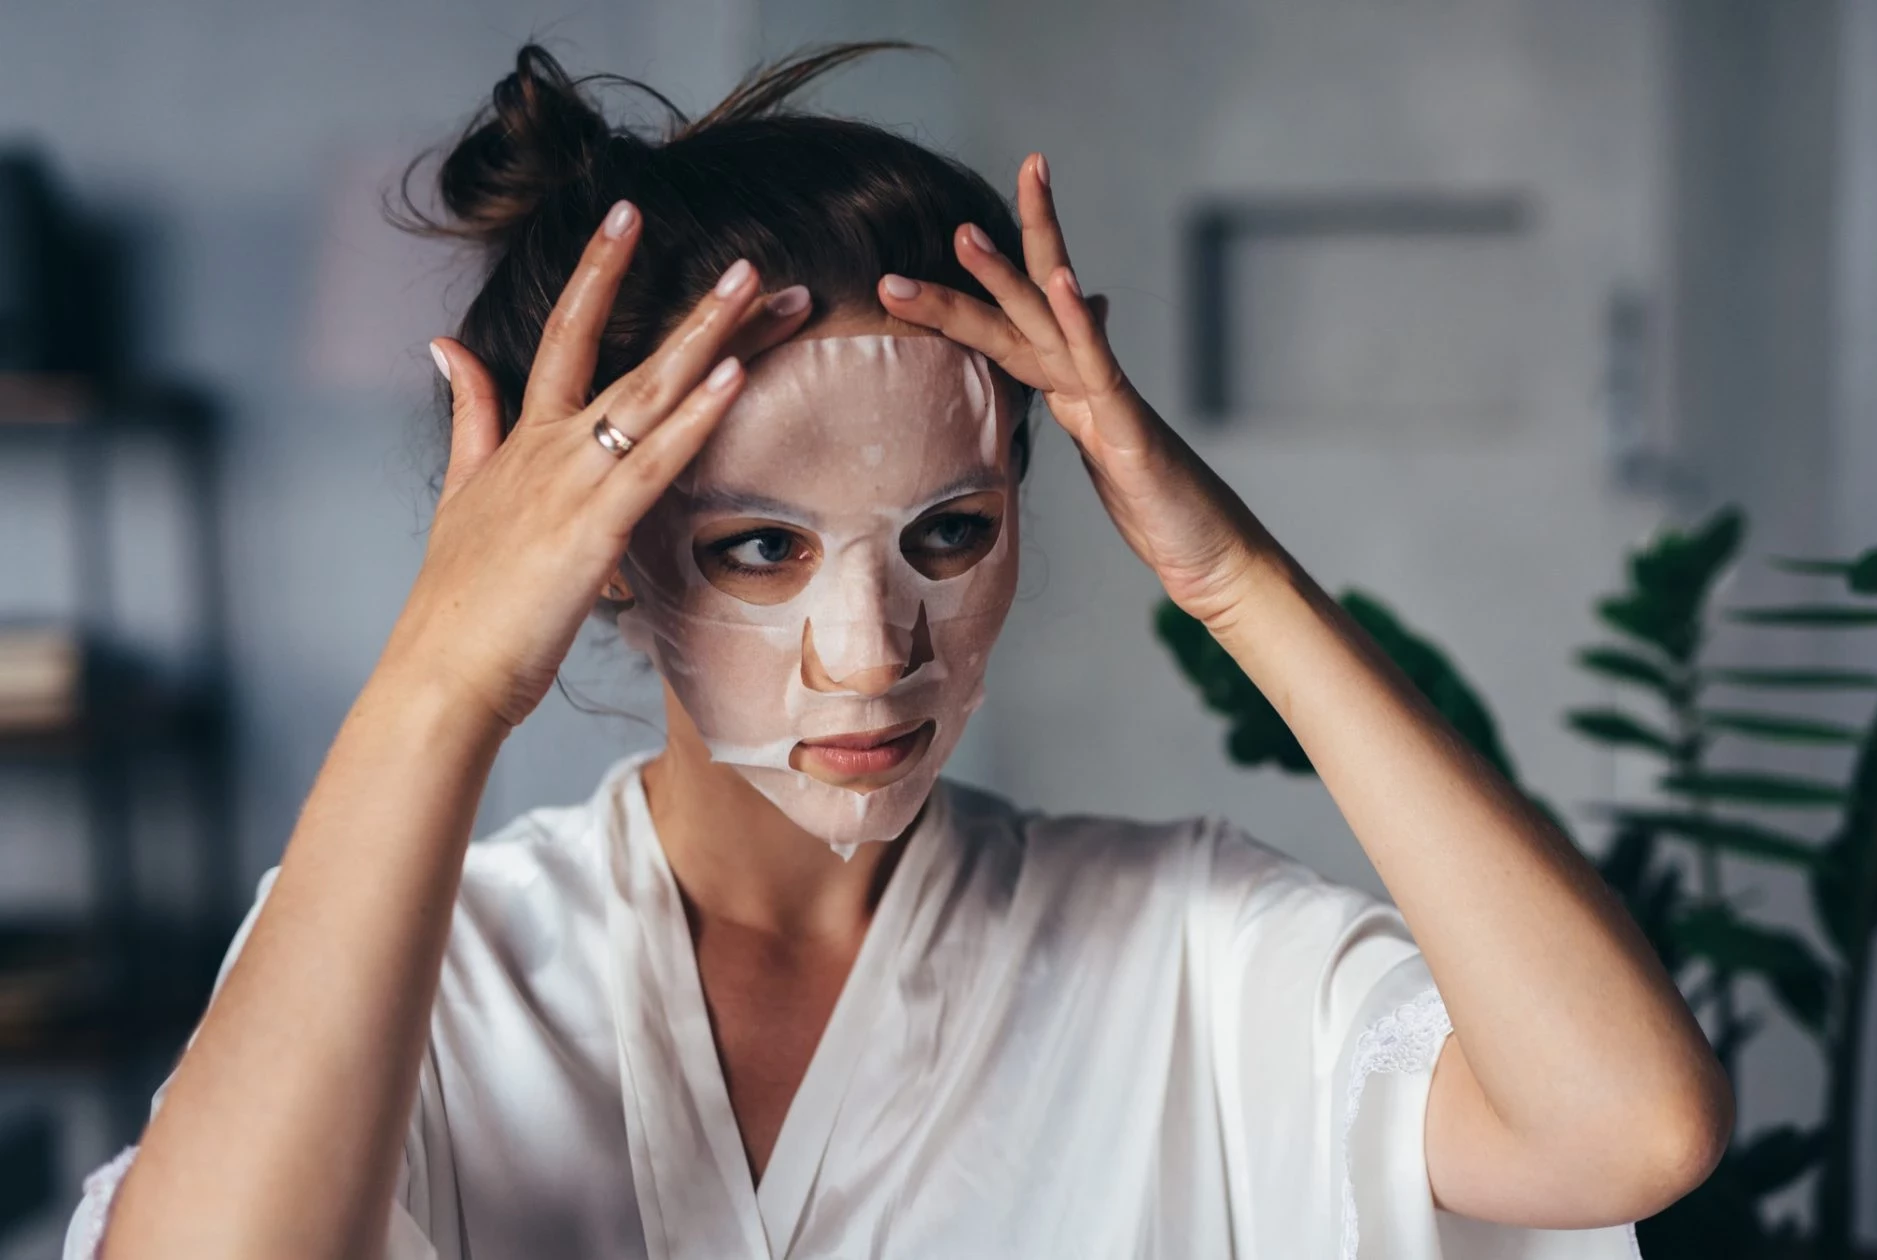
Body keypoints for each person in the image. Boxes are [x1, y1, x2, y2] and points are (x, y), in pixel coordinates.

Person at [66, 41, 1728, 1260]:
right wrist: (442, 680)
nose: (871, 655)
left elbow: (1627, 1129)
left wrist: (1232, 578)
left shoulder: (1191, 954)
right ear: (605, 564)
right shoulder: (433, 969)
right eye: (759, 548)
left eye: (949, 534)